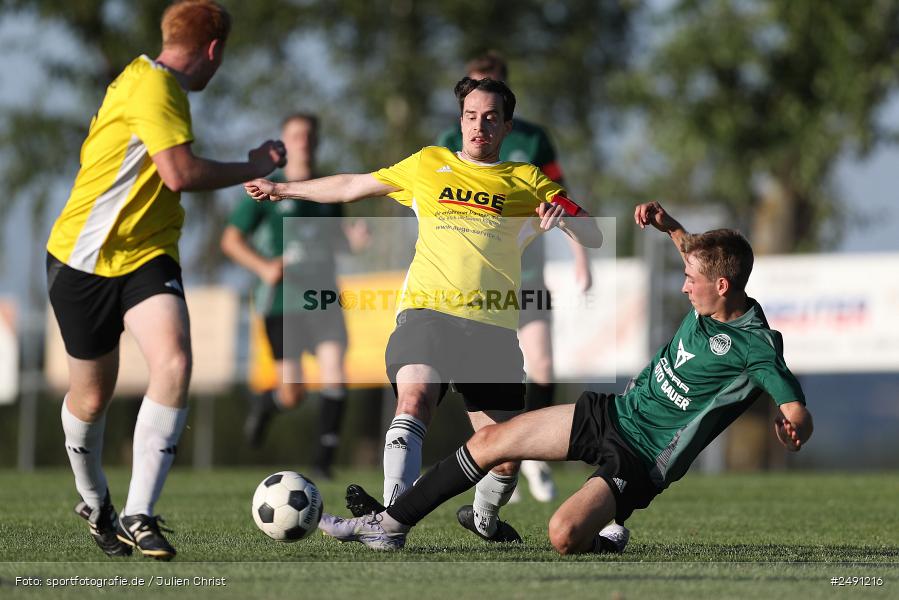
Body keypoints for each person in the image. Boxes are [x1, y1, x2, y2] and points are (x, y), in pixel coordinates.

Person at [315, 201, 813, 553]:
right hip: (612, 412)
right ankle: (389, 524)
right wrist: (668, 225)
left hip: (641, 458)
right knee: (490, 441)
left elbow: (796, 409)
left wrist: (794, 427)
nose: (684, 286)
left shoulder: (757, 346)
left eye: (691, 280)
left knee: (563, 536)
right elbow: (692, 250)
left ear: (722, 286)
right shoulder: (714, 287)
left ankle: (606, 539)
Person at [245, 76, 603, 544]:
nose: (479, 126)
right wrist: (283, 190)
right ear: (461, 121)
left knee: (505, 455)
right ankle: (389, 522)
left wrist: (565, 223)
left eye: (490, 118)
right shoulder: (428, 163)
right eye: (471, 117)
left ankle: (484, 518)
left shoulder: (526, 179)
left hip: (491, 325)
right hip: (427, 313)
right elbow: (353, 184)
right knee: (413, 401)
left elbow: (593, 232)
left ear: (506, 126)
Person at [45, 0, 286, 561]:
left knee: (174, 362)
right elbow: (178, 173)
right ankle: (96, 502)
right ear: (213, 50)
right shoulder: (153, 87)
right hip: (83, 258)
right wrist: (254, 167)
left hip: (149, 255)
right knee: (91, 397)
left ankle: (140, 512)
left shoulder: (151, 82)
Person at [438, 52, 591, 503]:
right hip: (476, 283)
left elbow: (563, 201)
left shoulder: (533, 139)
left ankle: (533, 453)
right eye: (472, 93)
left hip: (529, 273)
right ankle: (501, 459)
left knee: (542, 363)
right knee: (476, 378)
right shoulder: (448, 141)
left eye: (491, 92)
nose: (481, 117)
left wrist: (581, 256)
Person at [221, 112, 368, 478]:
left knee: (335, 370)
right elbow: (231, 240)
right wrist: (263, 267)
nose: (303, 141)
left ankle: (323, 463)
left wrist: (352, 243)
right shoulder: (268, 188)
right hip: (283, 300)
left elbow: (337, 242)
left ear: (317, 141)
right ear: (285, 143)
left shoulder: (329, 191)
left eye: (308, 135)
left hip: (323, 296)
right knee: (293, 393)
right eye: (295, 135)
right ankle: (267, 403)